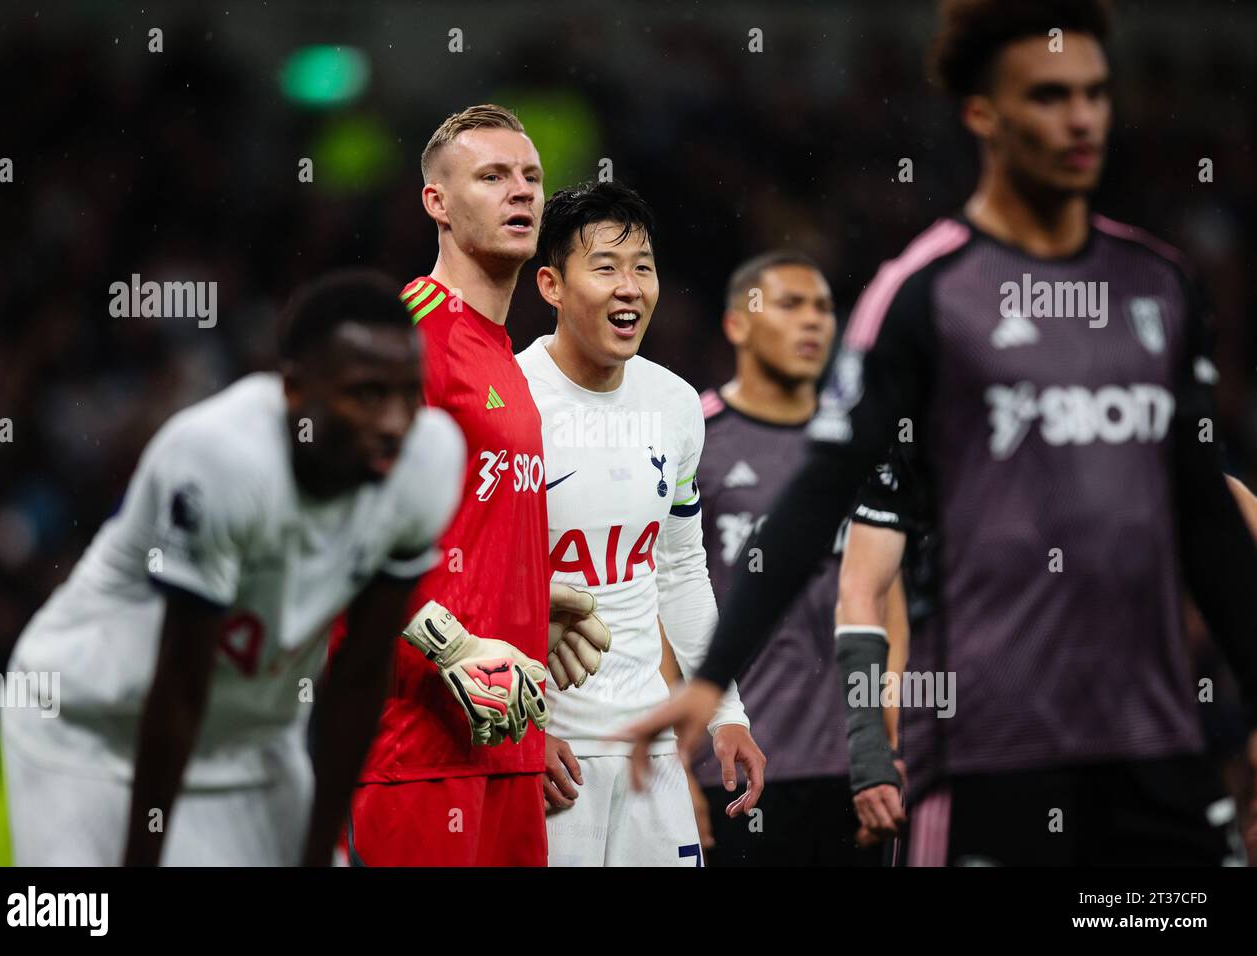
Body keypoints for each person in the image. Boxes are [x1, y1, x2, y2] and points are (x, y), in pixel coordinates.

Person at [626, 0, 1257, 866]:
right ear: (982, 113)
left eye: (1095, 93)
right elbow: (818, 504)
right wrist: (710, 681)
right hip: (991, 754)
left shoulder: (1161, 287)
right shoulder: (922, 294)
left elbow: (1211, 523)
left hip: (1154, 753)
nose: (1079, 118)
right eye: (1047, 95)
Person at [0, 269, 464, 866]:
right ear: (295, 390)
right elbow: (179, 688)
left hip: (251, 744)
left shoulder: (426, 461)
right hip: (92, 730)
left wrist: (318, 849)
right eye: (368, 394)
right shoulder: (219, 459)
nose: (396, 422)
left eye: (408, 392)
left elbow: (360, 674)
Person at [343, 104, 596, 867]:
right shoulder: (407, 338)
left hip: (506, 750)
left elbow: (458, 538)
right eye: (491, 177)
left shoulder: (506, 362)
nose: (521, 193)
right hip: (413, 753)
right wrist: (450, 643)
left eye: (530, 178)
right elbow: (343, 529)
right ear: (437, 204)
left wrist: (521, 601)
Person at [517, 181, 762, 866]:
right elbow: (475, 584)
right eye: (605, 267)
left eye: (643, 267)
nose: (630, 287)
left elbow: (680, 569)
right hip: (552, 754)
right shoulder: (508, 404)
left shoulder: (676, 405)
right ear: (551, 285)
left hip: (650, 748)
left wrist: (727, 711)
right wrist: (518, 734)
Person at [690, 250, 891, 865]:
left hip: (851, 768)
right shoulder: (692, 435)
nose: (813, 322)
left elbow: (889, 597)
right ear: (737, 325)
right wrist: (677, 764)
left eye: (825, 309)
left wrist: (887, 748)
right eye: (790, 304)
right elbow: (656, 595)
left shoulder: (860, 446)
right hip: (731, 765)